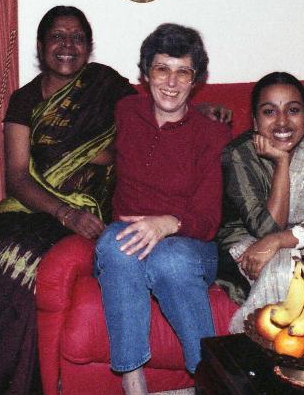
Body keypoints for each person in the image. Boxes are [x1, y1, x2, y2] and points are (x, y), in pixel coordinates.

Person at [0, 5, 137, 394]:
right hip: (36, 206)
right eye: (57, 37)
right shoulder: (25, 100)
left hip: (88, 208)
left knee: (20, 269)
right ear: (40, 46)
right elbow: (17, 177)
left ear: (88, 47)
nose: (67, 45)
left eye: (77, 38)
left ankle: (11, 384)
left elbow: (152, 117)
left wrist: (200, 110)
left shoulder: (106, 85)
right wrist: (64, 213)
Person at [94, 24, 230, 395]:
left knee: (170, 259)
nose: (171, 82)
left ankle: (209, 379)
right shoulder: (125, 111)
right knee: (116, 246)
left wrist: (167, 224)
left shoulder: (212, 133)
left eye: (183, 72)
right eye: (162, 69)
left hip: (190, 243)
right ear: (145, 74)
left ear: (196, 80)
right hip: (127, 233)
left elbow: (208, 219)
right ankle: (133, 380)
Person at [216, 72, 304, 332]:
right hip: (245, 241)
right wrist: (282, 161)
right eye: (269, 112)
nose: (282, 121)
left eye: (293, 110)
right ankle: (268, 341)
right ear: (255, 121)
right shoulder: (239, 155)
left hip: (297, 239)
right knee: (278, 268)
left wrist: (279, 241)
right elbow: (266, 228)